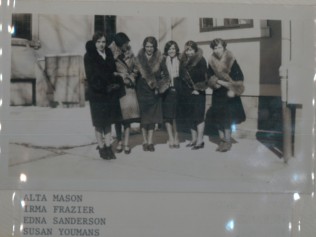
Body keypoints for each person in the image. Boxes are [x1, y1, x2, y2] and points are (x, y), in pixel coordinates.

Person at [84, 31, 124, 160]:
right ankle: (101, 148)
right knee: (99, 123)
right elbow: (91, 77)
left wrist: (115, 80)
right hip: (97, 94)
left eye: (103, 42)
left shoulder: (109, 54)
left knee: (108, 122)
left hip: (109, 94)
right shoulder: (89, 56)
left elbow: (112, 71)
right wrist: (104, 87)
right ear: (94, 42)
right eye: (99, 42)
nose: (101, 44)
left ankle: (108, 147)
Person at [207, 38, 246, 152]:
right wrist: (215, 82)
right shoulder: (211, 60)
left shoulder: (230, 59)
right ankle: (222, 140)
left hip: (229, 93)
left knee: (227, 118)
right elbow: (208, 76)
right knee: (218, 117)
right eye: (215, 48)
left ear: (224, 48)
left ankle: (227, 141)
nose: (217, 50)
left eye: (219, 47)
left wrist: (225, 83)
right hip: (217, 92)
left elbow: (240, 77)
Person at [135, 36, 170, 152]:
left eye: (151, 47)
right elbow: (134, 74)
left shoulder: (160, 58)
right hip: (141, 90)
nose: (149, 49)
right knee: (144, 118)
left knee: (152, 119)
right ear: (144, 47)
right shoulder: (139, 58)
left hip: (154, 91)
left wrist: (160, 87)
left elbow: (166, 76)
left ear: (155, 47)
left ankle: (150, 142)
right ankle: (144, 141)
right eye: (147, 46)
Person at [109, 32, 140, 154]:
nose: (127, 45)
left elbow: (137, 67)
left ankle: (126, 143)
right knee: (118, 118)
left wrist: (132, 76)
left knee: (127, 118)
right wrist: (120, 75)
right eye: (125, 44)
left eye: (128, 43)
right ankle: (119, 141)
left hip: (129, 89)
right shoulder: (111, 54)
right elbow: (110, 71)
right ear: (118, 44)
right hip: (117, 88)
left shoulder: (131, 53)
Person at [180, 40, 208, 150]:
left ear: (195, 50)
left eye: (191, 50)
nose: (189, 52)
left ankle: (200, 141)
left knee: (199, 116)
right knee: (190, 116)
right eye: (187, 50)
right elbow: (182, 77)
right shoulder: (183, 61)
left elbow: (205, 77)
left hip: (198, 93)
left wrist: (198, 89)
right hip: (187, 93)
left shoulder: (201, 60)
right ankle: (194, 139)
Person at [161, 41, 181, 148]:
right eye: (169, 49)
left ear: (176, 49)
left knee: (175, 116)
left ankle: (176, 136)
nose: (171, 51)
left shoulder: (180, 60)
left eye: (173, 49)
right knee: (168, 116)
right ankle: (171, 137)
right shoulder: (163, 60)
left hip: (177, 91)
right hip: (167, 91)